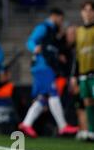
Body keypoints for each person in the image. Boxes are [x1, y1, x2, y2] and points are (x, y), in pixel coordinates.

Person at [19, 8, 79, 137]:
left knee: (43, 98)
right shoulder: (44, 27)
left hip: (45, 66)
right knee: (53, 92)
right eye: (61, 20)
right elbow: (30, 40)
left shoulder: (52, 31)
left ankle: (26, 124)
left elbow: (49, 48)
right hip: (42, 66)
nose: (61, 23)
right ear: (55, 16)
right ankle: (63, 126)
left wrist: (57, 56)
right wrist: (34, 48)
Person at [71, 0, 94, 141]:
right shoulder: (78, 32)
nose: (88, 13)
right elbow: (77, 56)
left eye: (91, 10)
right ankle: (91, 131)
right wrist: (74, 75)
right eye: (85, 10)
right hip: (83, 74)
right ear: (81, 13)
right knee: (87, 102)